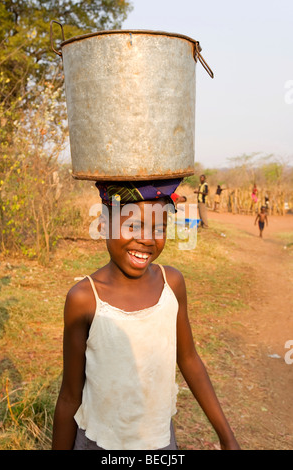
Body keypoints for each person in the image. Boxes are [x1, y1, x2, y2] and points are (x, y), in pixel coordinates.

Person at [52, 179, 240, 451]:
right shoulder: (84, 299)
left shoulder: (171, 284)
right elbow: (70, 395)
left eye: (160, 228)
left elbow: (189, 360)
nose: (148, 239)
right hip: (98, 443)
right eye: (133, 226)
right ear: (104, 225)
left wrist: (227, 437)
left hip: (159, 443)